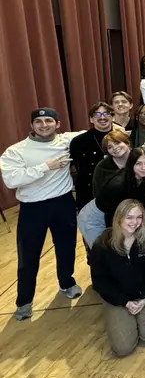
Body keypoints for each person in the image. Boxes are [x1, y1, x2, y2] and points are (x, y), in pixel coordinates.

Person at [1, 107, 84, 320]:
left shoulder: (67, 140)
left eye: (49, 120)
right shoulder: (16, 151)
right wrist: (46, 166)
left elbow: (104, 129)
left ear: (57, 124)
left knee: (66, 248)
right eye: (39, 122)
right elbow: (12, 180)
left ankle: (67, 282)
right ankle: (24, 301)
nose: (44, 125)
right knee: (28, 256)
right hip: (32, 208)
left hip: (63, 203)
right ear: (32, 125)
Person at [90, 200, 145, 356]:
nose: (135, 222)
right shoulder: (102, 244)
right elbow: (100, 281)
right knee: (123, 348)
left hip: (144, 294)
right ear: (119, 218)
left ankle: (142, 315)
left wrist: (144, 297)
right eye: (129, 217)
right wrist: (124, 302)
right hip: (118, 297)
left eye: (139, 217)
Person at [69, 102, 116, 210]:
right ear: (91, 119)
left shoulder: (122, 139)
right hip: (88, 194)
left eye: (106, 113)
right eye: (97, 114)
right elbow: (76, 168)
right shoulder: (79, 141)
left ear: (113, 117)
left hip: (116, 192)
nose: (102, 117)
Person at [95, 147, 145, 228]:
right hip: (101, 215)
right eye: (138, 163)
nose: (144, 168)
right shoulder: (117, 184)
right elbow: (107, 210)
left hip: (129, 217)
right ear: (131, 164)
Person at [92, 130, 131, 196]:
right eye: (110, 147)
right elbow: (98, 194)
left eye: (117, 143)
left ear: (127, 142)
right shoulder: (102, 167)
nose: (115, 148)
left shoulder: (140, 158)